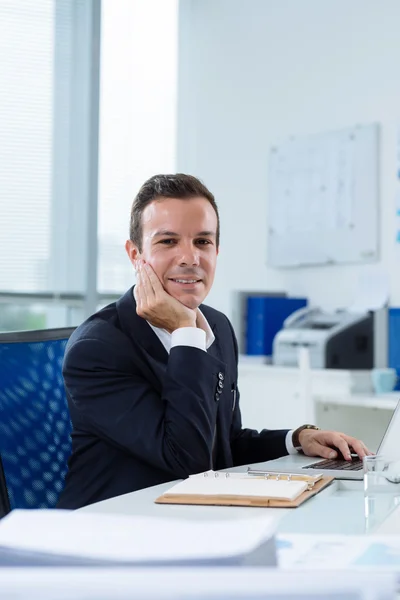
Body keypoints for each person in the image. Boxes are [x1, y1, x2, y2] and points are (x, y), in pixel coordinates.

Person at [58, 173, 371, 509]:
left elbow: (222, 443)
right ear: (135, 255)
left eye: (203, 242)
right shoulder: (97, 348)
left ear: (217, 250)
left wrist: (296, 439)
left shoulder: (217, 326)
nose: (190, 258)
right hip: (110, 530)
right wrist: (184, 332)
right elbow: (188, 460)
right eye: (168, 241)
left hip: (188, 520)